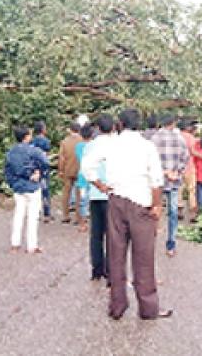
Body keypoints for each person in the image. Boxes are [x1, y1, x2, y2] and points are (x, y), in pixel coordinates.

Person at [81, 108, 173, 320]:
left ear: (119, 124)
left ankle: (117, 305)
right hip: (141, 204)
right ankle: (148, 308)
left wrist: (100, 185)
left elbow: (87, 167)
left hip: (116, 201)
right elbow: (157, 180)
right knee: (144, 257)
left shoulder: (110, 144)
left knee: (116, 254)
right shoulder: (147, 146)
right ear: (138, 124)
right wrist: (157, 205)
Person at [149, 114, 189, 257]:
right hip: (173, 181)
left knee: (154, 210)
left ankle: (150, 241)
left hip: (157, 181)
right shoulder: (180, 139)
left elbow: (149, 161)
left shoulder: (154, 139)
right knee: (172, 213)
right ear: (173, 124)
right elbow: (186, 157)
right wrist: (176, 172)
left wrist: (164, 172)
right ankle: (171, 245)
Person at [4, 125, 49, 253]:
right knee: (33, 216)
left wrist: (12, 183)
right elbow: (45, 162)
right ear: (26, 137)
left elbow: (7, 171)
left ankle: (15, 244)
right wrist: (38, 173)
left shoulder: (11, 152)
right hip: (32, 186)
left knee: (18, 214)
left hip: (18, 187)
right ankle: (32, 245)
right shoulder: (34, 151)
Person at [80, 116, 114, 280]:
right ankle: (110, 269)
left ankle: (96, 269)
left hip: (95, 194)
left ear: (97, 129)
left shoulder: (90, 146)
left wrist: (98, 185)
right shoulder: (118, 145)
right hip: (113, 195)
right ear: (113, 127)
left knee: (96, 234)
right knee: (112, 235)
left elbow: (85, 169)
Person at [58, 120, 84, 225]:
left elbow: (61, 158)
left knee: (66, 193)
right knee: (78, 194)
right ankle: (78, 217)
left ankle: (66, 215)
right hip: (79, 170)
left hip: (67, 170)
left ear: (70, 130)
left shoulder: (64, 141)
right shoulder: (82, 141)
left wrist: (60, 170)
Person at [31, 121, 54, 223]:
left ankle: (36, 213)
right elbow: (46, 155)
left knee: (35, 191)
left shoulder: (32, 141)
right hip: (43, 169)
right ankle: (47, 214)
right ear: (42, 129)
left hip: (33, 168)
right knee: (45, 191)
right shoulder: (45, 141)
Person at [72, 123, 93, 232]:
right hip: (93, 176)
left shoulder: (78, 146)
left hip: (82, 175)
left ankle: (82, 223)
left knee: (82, 201)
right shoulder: (94, 146)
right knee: (93, 200)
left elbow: (77, 160)